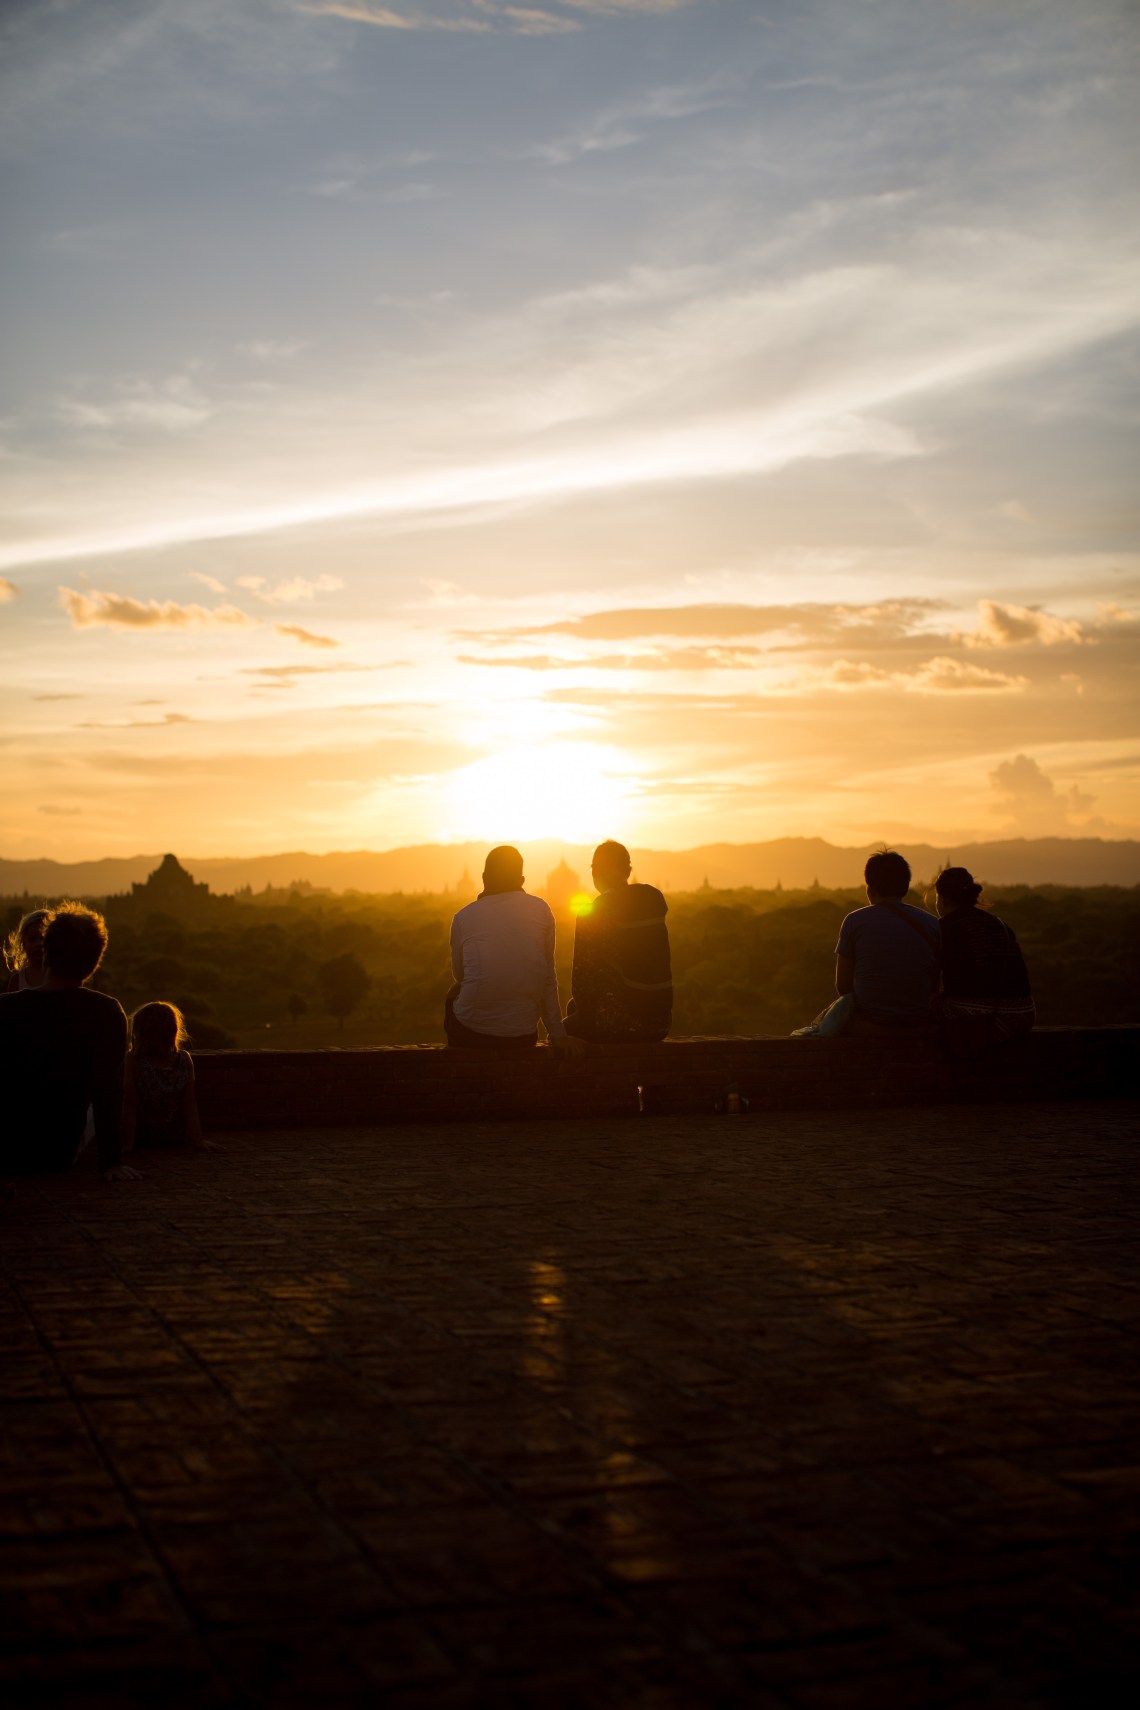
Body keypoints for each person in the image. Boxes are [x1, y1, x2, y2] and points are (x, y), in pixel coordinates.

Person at [0, 902, 138, 1180]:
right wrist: (111, 1161)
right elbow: (107, 1091)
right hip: (57, 1148)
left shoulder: (6, 1008)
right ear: (93, 963)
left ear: (47, 953)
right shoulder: (106, 1012)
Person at [445, 846, 585, 1053]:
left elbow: (460, 976)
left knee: (454, 992)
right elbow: (547, 979)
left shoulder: (463, 917)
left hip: (471, 1033)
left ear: (484, 878)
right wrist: (558, 1035)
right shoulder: (541, 910)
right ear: (521, 880)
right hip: (523, 1035)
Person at [799, 849, 939, 1037]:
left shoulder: (855, 921)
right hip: (917, 1021)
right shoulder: (931, 923)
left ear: (869, 889)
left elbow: (843, 986)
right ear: (906, 887)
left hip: (870, 1021)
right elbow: (934, 983)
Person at [563, 841, 672, 1042]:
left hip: (615, 1022)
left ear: (595, 872)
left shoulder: (594, 912)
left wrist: (585, 1017)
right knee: (573, 1008)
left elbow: (582, 984)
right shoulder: (652, 902)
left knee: (561, 1032)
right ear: (628, 871)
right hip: (659, 1022)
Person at [933, 866, 1034, 1046]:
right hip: (1023, 1015)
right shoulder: (1000, 925)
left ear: (942, 898)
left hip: (977, 1016)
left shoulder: (945, 928)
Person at [123, 1001, 214, 1152]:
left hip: (144, 1137)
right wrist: (198, 1140)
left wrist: (127, 1145)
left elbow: (130, 1103)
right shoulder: (184, 1059)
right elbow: (189, 1103)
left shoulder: (133, 1060)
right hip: (175, 1136)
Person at [4, 908, 50, 992]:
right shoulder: (17, 980)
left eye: (44, 938)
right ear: (23, 943)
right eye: (32, 939)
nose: (39, 944)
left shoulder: (62, 977)